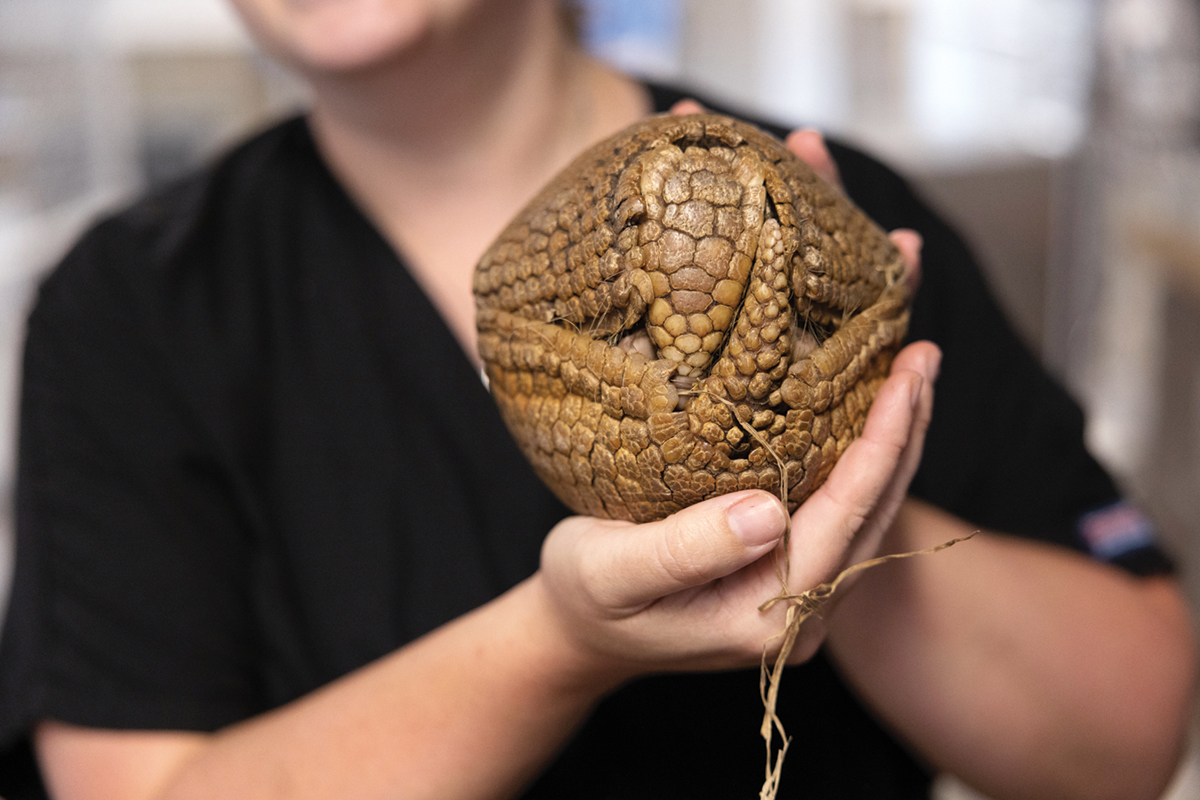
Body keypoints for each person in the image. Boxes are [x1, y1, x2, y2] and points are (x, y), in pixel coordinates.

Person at [0, 1, 1194, 798]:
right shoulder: (133, 310)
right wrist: (557, 640)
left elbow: (1131, 731)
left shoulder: (844, 206)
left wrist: (839, 503)